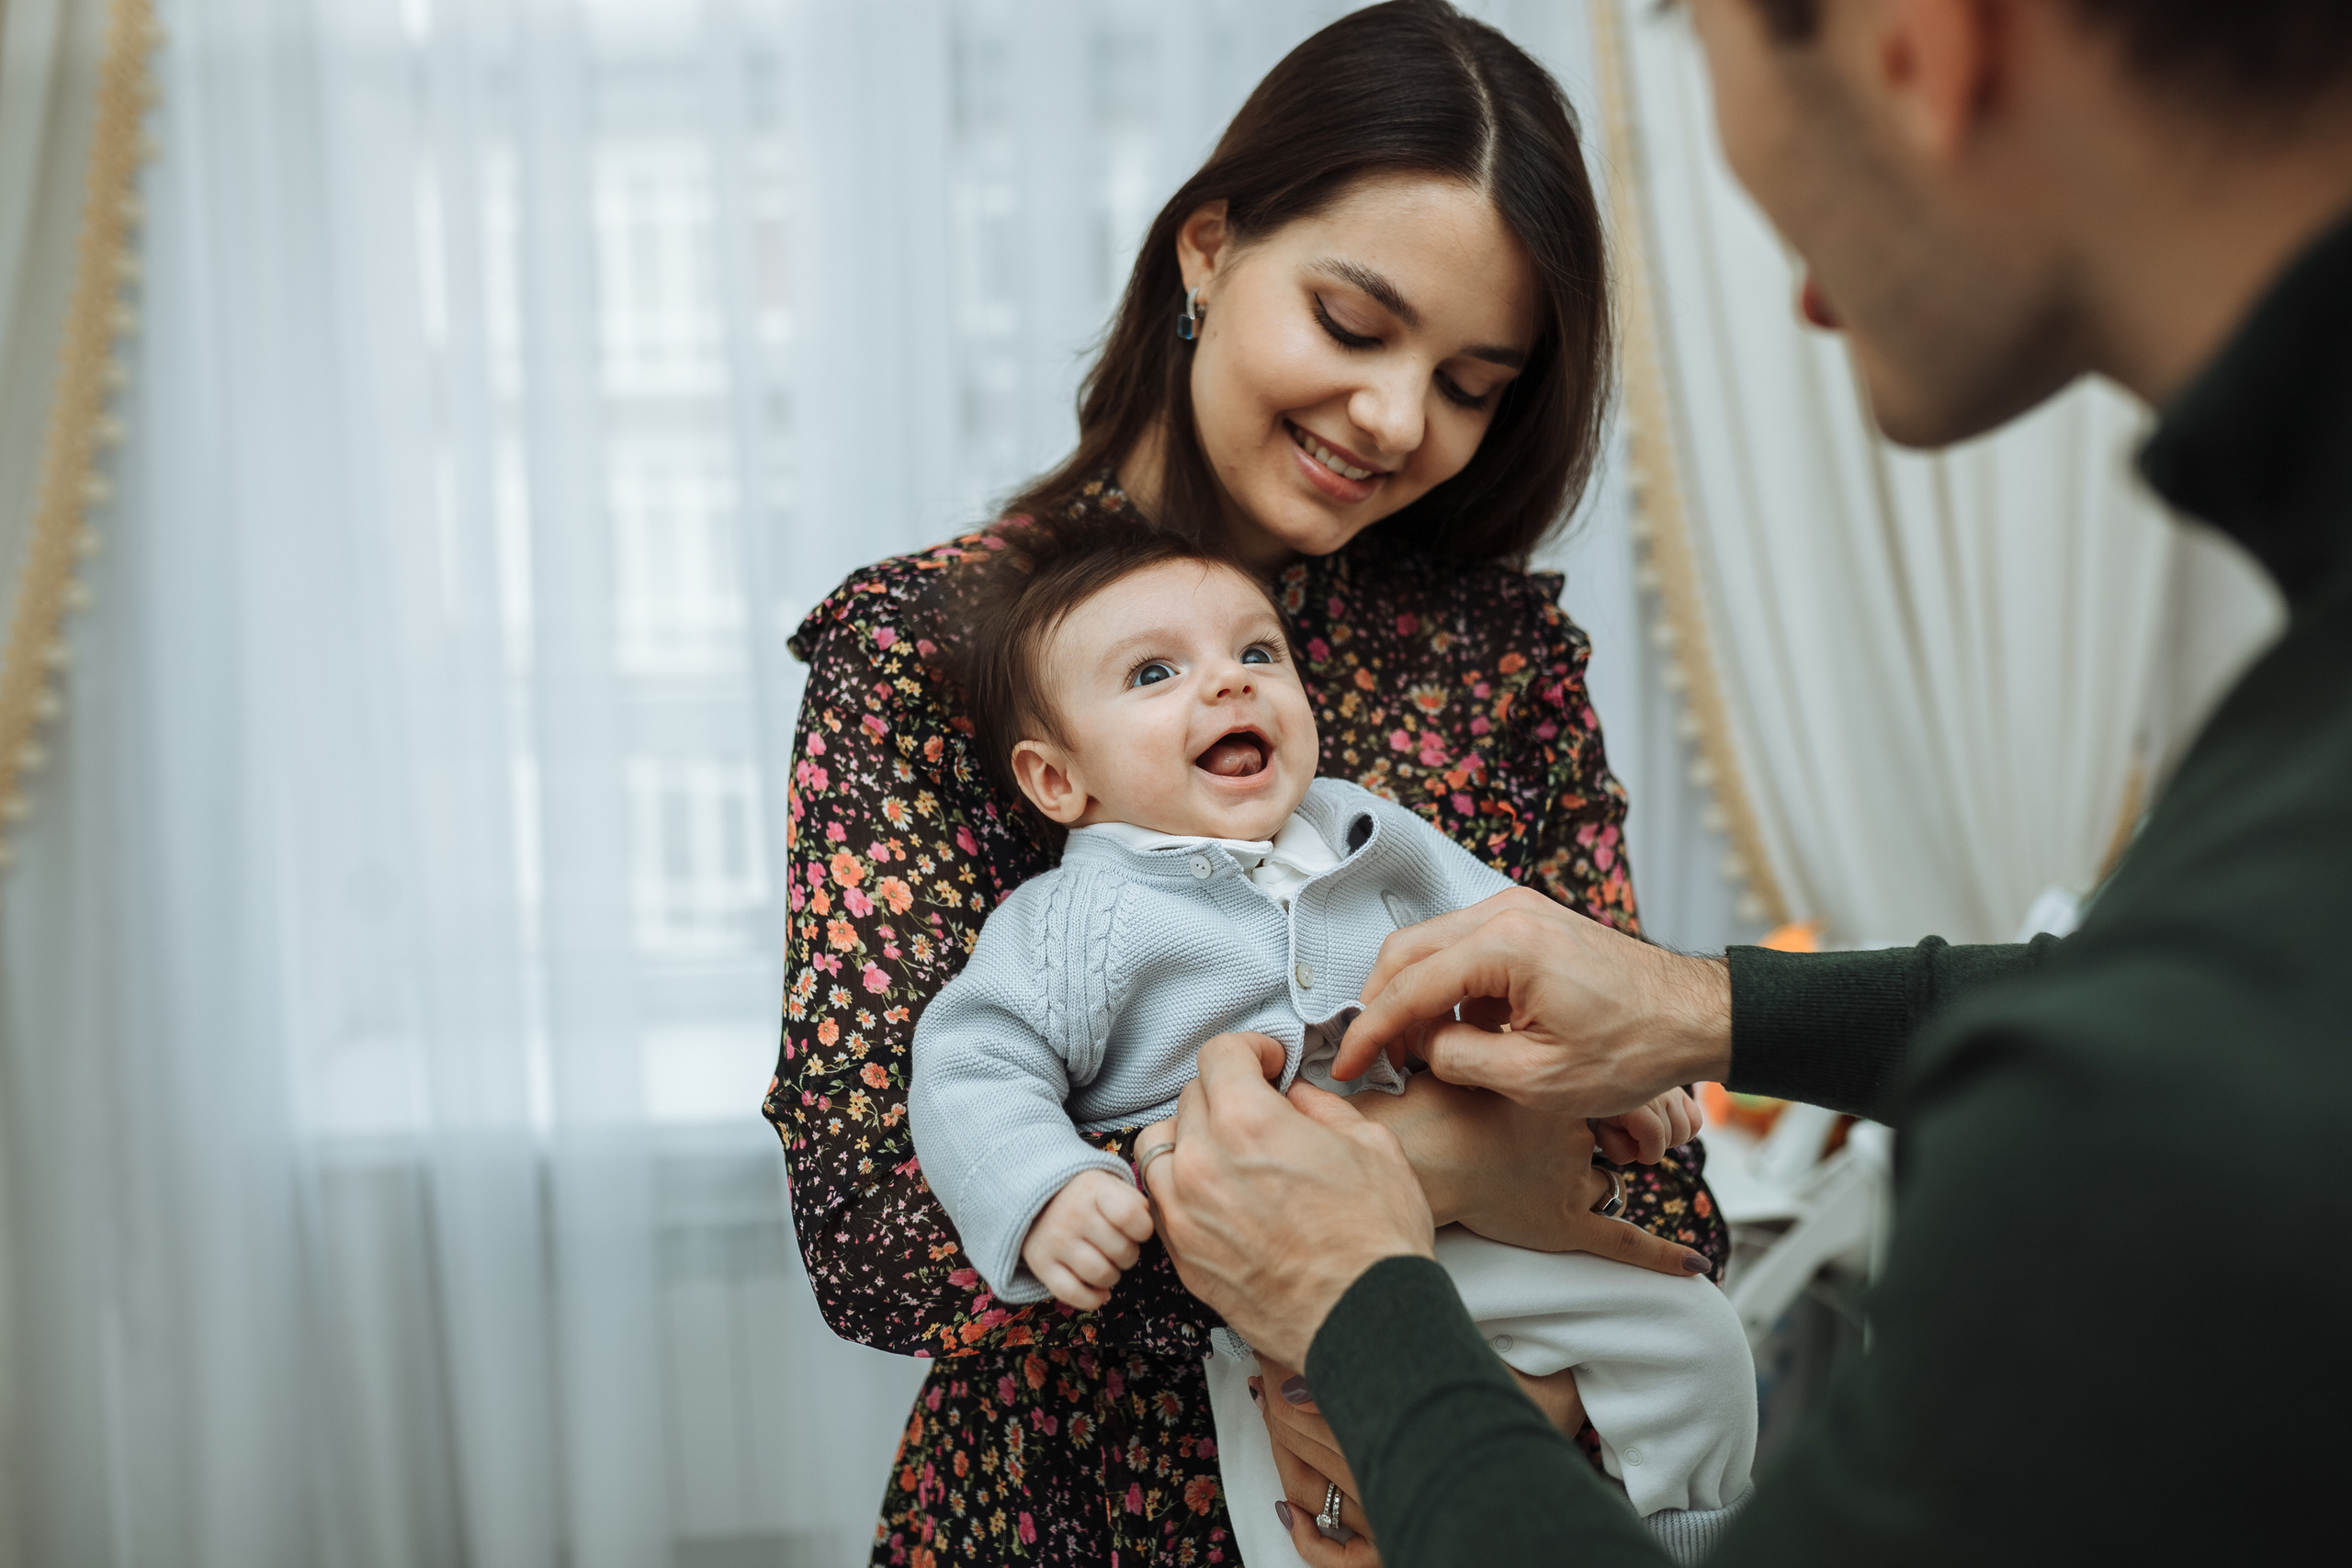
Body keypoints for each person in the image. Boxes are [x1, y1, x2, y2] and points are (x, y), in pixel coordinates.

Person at [1138, 0, 2352, 1562]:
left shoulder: (2148, 1090)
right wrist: (1698, 1006)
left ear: (1916, 42)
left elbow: (1665, 1209)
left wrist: (1364, 1298)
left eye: (1700, 43)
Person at [765, 6, 1734, 1562]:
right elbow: (876, 1228)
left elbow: (1664, 1194)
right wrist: (1440, 1165)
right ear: (1207, 249)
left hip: (1464, 1488)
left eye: (1474, 382)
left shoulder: (1496, 656)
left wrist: (1507, 1424)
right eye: (1356, 325)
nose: (1401, 419)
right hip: (1071, 1518)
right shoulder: (929, 653)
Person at [905, 518, 1754, 1566]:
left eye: (1257, 653)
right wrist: (1043, 1186)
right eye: (1156, 672)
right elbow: (969, 1061)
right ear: (1055, 781)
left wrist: (1612, 1072)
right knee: (1304, 1518)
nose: (1229, 684)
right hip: (1272, 1285)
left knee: (1697, 1339)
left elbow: (1535, 956)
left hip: (1484, 1244)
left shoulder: (1368, 835)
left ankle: (1689, 1537)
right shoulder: (1072, 919)